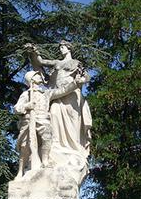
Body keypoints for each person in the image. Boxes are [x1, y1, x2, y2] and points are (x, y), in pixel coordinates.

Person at [25, 41, 92, 183]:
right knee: (54, 113)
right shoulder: (57, 62)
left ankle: (73, 148)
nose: (61, 50)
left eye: (63, 47)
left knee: (73, 122)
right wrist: (34, 51)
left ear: (69, 48)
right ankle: (57, 147)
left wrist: (81, 80)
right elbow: (41, 61)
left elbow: (86, 77)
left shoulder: (76, 63)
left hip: (72, 95)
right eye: (60, 47)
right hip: (57, 94)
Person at [14, 70, 82, 179]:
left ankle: (45, 161)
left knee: (47, 138)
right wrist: (27, 106)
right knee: (24, 147)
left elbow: (62, 91)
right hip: (28, 121)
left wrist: (75, 83)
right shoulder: (26, 94)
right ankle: (20, 171)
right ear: (31, 79)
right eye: (36, 75)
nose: (39, 76)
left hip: (43, 119)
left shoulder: (46, 93)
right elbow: (17, 108)